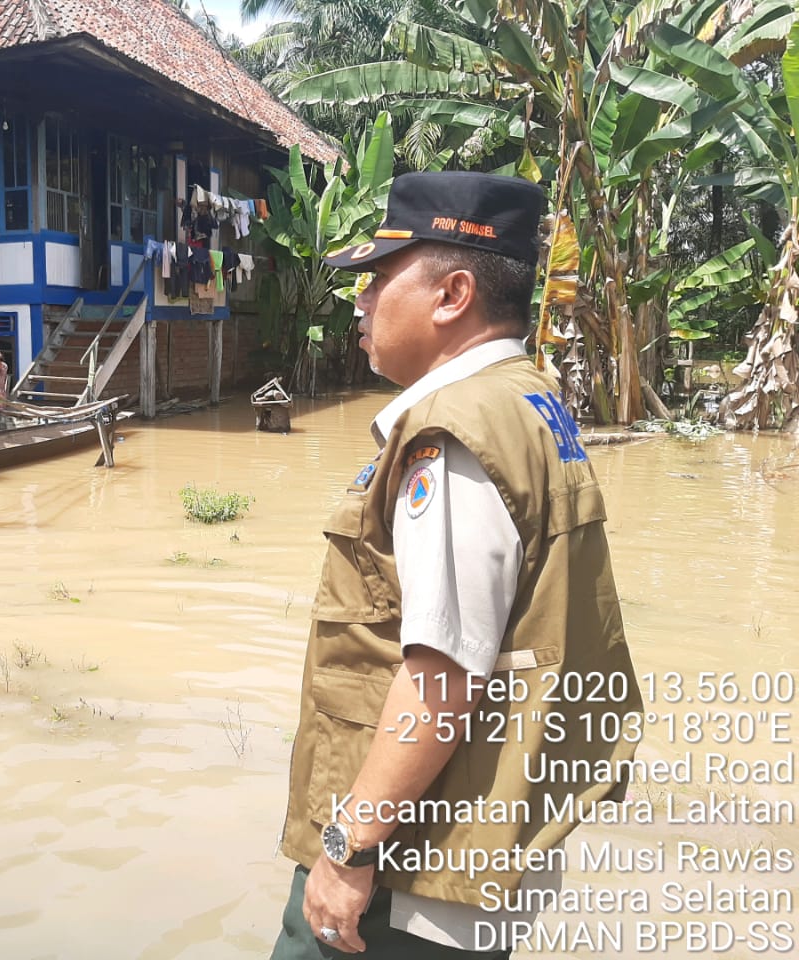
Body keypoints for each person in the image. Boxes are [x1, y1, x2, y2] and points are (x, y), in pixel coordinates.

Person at [271, 172, 642, 959]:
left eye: (377, 279)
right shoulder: (530, 400)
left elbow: (442, 679)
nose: (360, 302)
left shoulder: (454, 432)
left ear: (453, 295)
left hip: (409, 879)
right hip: (476, 850)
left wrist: (349, 849)